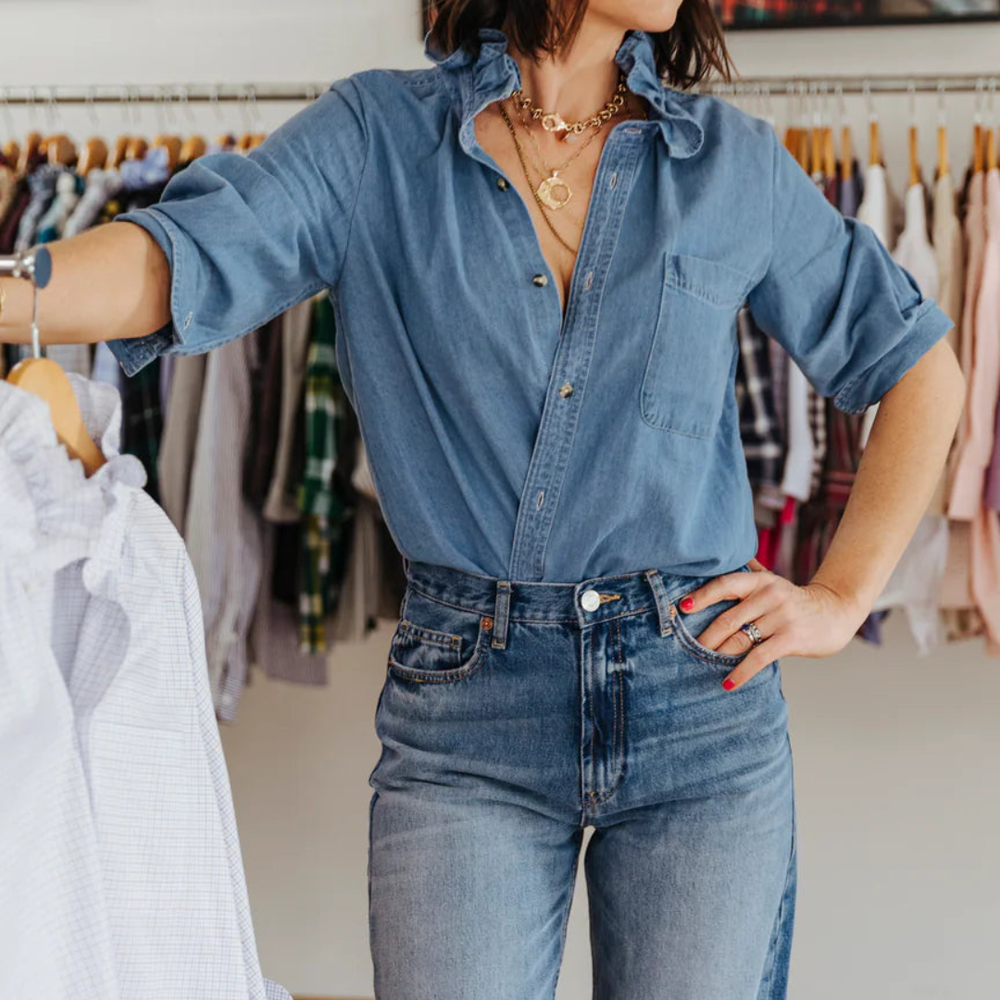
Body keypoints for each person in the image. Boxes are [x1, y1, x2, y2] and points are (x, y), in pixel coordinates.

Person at [0, 1, 965, 997]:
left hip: (700, 707)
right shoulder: (378, 141)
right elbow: (175, 259)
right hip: (470, 710)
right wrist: (7, 288)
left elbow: (918, 368)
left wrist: (840, 595)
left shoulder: (727, 163)